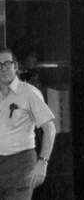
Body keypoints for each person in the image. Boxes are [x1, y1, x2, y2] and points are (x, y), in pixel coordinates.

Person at [0, 46, 55, 200]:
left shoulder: (28, 92)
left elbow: (49, 128)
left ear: (16, 66)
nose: (3, 69)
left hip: (20, 164)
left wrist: (43, 162)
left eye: (7, 64)